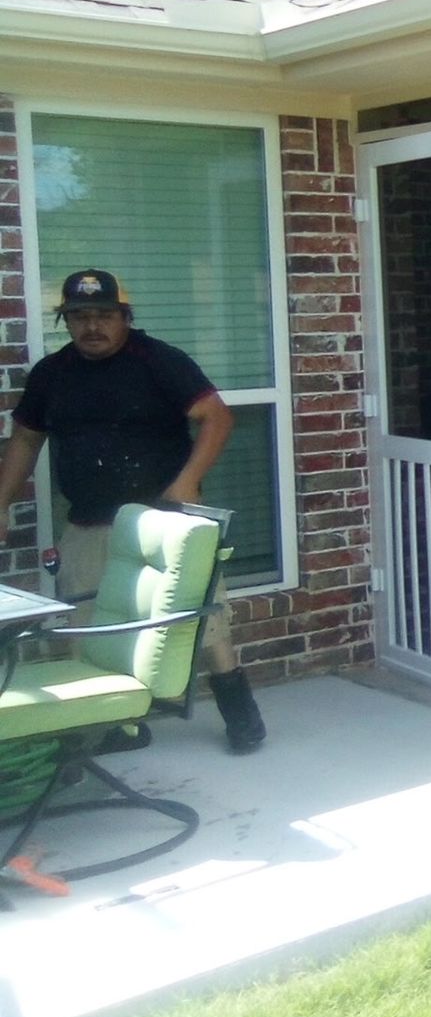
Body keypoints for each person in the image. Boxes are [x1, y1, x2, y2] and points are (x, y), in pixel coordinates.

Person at [0, 269, 266, 754]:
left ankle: (242, 717)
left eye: (104, 315)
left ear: (125, 318)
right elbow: (25, 439)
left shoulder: (158, 361)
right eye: (80, 317)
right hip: (89, 519)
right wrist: (1, 503)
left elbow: (217, 417)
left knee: (203, 624)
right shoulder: (51, 374)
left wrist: (185, 483)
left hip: (164, 521)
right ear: (66, 321)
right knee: (86, 627)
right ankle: (118, 726)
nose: (92, 326)